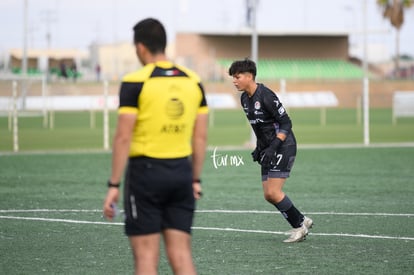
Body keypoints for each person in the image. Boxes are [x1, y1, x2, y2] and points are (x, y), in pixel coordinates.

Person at [103, 18, 208, 275]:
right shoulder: (193, 81)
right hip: (182, 173)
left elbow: (123, 137)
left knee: (146, 259)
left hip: (146, 175)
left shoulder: (135, 81)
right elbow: (200, 137)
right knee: (182, 256)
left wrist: (114, 185)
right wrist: (195, 178)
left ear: (140, 47)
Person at [228, 58, 313, 243]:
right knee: (268, 194)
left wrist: (274, 146)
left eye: (237, 76)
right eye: (233, 77)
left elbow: (286, 123)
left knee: (274, 192)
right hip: (268, 148)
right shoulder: (244, 99)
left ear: (250, 76)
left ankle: (299, 227)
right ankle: (302, 220)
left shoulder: (266, 95)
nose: (234, 81)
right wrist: (259, 148)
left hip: (284, 145)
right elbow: (259, 128)